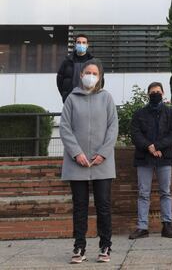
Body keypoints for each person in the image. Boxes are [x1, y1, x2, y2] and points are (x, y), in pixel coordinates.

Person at [60, 59, 118, 264]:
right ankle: (79, 246)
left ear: (100, 77)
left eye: (95, 73)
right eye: (87, 72)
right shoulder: (71, 99)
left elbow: (113, 128)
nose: (90, 76)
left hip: (102, 163)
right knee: (80, 206)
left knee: (103, 205)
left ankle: (105, 246)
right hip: (77, 163)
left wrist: (103, 153)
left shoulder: (106, 98)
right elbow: (65, 128)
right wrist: (76, 153)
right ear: (81, 73)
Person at [128, 82, 172, 240]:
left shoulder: (170, 113)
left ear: (163, 93)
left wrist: (157, 146)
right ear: (147, 94)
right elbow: (135, 134)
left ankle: (167, 226)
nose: (155, 94)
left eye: (158, 91)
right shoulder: (139, 113)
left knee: (166, 192)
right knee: (143, 193)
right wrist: (149, 147)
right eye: (152, 92)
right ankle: (142, 227)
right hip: (144, 158)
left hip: (164, 157)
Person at [57, 34, 94, 102]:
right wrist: (65, 95)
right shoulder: (67, 61)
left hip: (89, 99)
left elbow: (100, 81)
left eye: (83, 42)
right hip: (71, 99)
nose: (81, 44)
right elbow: (59, 80)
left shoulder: (93, 62)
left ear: (87, 45)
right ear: (75, 44)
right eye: (79, 42)